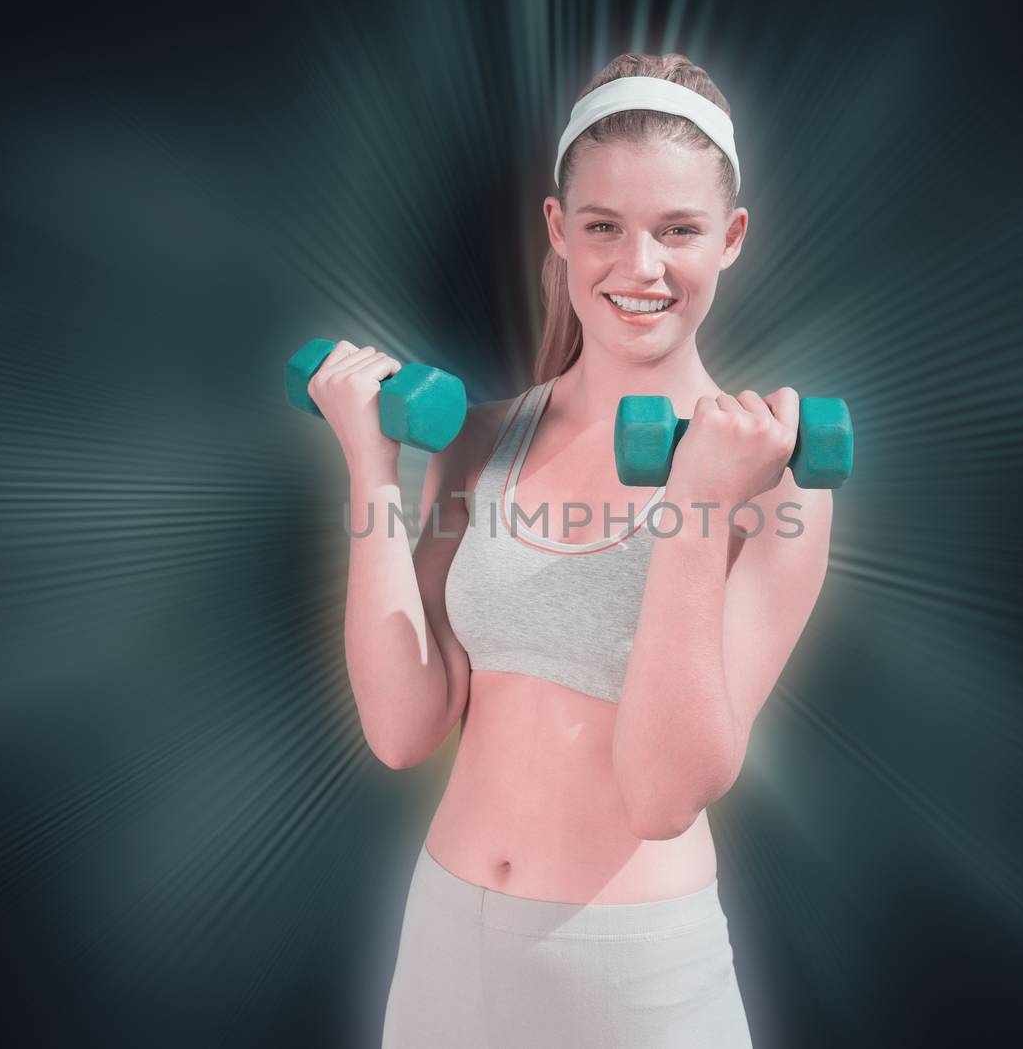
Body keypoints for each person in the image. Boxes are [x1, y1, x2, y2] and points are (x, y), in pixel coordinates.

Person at [308, 52, 832, 1049]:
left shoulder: (781, 481)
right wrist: (368, 474)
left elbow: (662, 790)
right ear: (559, 229)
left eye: (678, 229)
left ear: (729, 239)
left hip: (636, 978)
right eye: (604, 226)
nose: (639, 267)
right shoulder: (477, 437)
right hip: (445, 946)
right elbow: (402, 728)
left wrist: (694, 507)